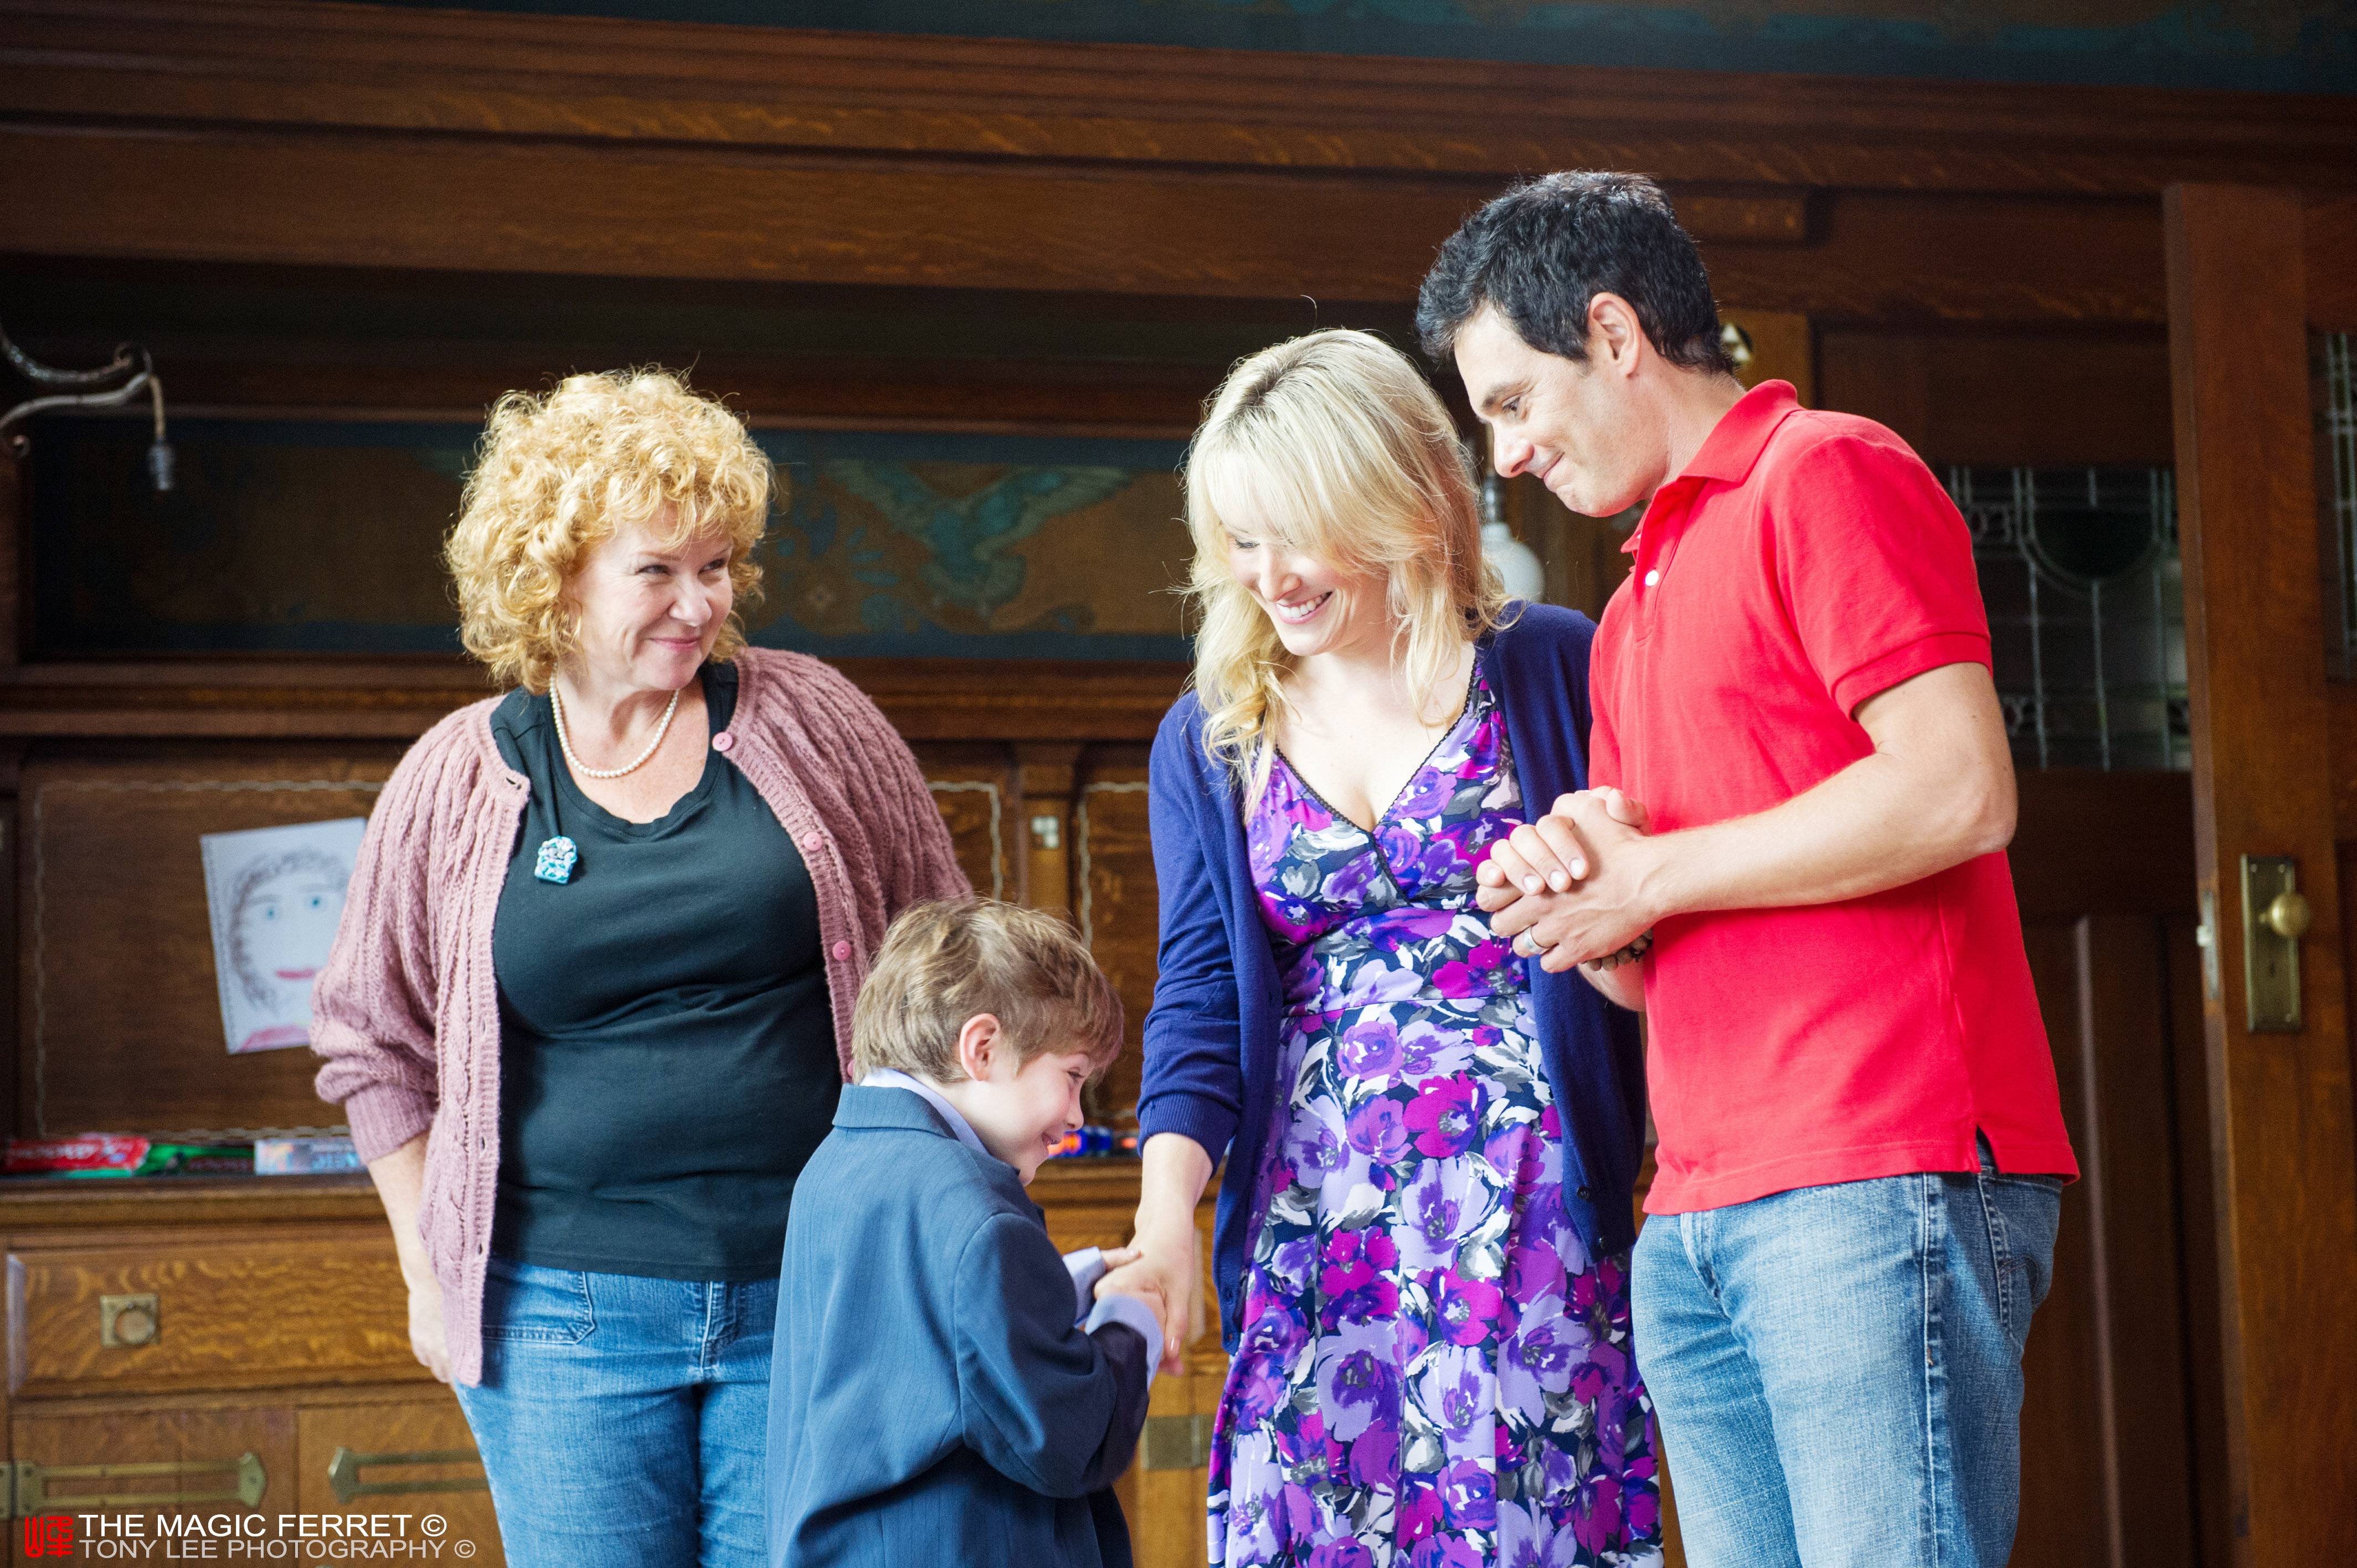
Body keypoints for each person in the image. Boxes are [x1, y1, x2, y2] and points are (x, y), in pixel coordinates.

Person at [1418, 172, 2078, 1568]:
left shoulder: (1826, 471)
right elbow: (1682, 945)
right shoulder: (1622, 613)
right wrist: (1586, 908)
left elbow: (1959, 786)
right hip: (1701, 1207)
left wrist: (1652, 875)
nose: (1511, 456)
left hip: (1872, 1169)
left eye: (1513, 402)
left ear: (1611, 331)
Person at [310, 369, 969, 1568]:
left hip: (813, 1294)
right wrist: (424, 1261)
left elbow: (946, 957)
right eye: (656, 572)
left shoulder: (813, 720)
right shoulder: (458, 776)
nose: (698, 603)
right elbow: (373, 1043)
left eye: (715, 567)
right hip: (561, 1318)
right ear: (554, 577)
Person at [1104, 328, 1660, 1567]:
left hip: (1529, 1212)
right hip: (1316, 1219)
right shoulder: (1213, 734)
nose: (1266, 575)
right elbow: (1197, 994)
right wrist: (1165, 1223)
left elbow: (1656, 923)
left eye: (1293, 533)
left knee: (1527, 1527)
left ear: (1399, 502)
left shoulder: (1554, 664)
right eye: (1238, 541)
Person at [766, 898, 1161, 1568]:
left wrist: (1069, 1286)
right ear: (982, 1048)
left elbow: (912, 1340)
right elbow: (1065, 1438)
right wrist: (1134, 1323)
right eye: (1071, 1077)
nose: (1073, 1113)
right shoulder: (973, 1208)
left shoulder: (837, 1162)